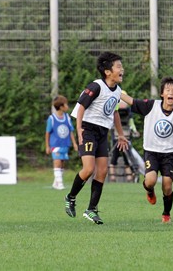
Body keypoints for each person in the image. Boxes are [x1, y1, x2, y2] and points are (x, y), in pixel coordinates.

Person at [64, 51, 129, 224]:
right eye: (118, 66)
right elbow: (80, 108)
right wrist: (79, 130)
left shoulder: (118, 91)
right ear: (108, 71)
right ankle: (70, 197)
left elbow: (114, 113)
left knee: (102, 171)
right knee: (88, 169)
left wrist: (121, 134)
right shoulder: (96, 86)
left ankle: (91, 209)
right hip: (87, 129)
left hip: (102, 132)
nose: (122, 69)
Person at [121, 77, 173, 223]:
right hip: (152, 151)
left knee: (167, 186)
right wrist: (113, 89)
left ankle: (166, 214)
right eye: (168, 90)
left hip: (170, 154)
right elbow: (131, 101)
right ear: (162, 93)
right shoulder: (151, 105)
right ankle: (149, 191)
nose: (171, 93)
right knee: (150, 181)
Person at [108, 90, 142, 182]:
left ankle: (129, 177)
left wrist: (134, 131)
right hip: (117, 137)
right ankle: (113, 177)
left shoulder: (128, 112)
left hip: (124, 137)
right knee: (116, 156)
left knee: (126, 157)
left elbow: (131, 123)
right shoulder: (115, 110)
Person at [45, 95, 78, 190]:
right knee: (57, 162)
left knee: (62, 163)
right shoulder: (52, 119)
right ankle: (60, 183)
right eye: (66, 104)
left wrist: (75, 143)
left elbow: (70, 131)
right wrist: (47, 146)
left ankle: (56, 182)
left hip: (65, 144)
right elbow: (47, 133)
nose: (67, 106)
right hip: (55, 145)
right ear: (61, 106)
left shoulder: (67, 118)